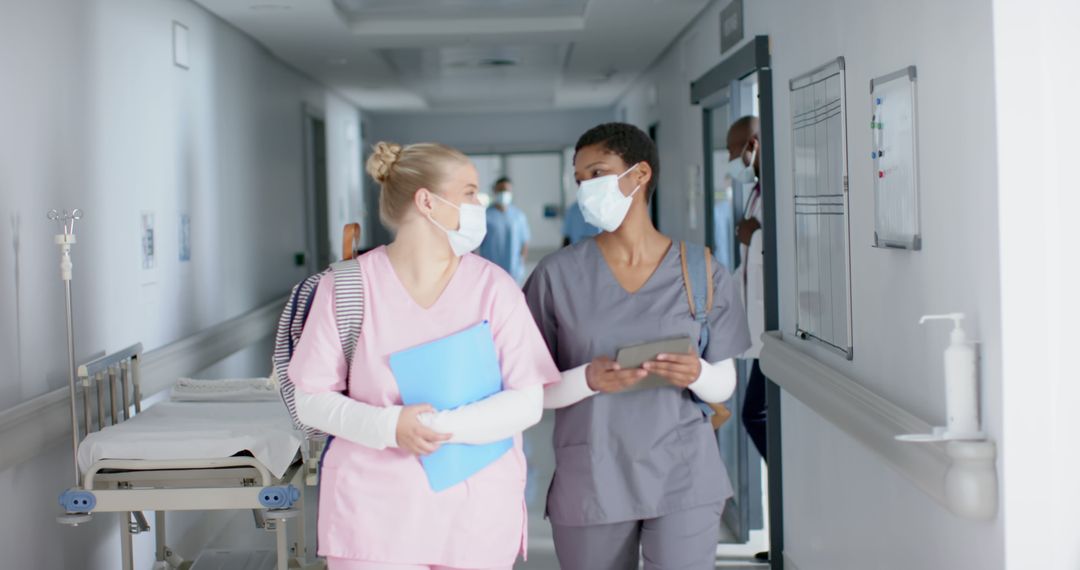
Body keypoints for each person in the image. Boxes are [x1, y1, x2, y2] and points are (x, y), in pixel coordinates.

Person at [288, 142, 560, 570]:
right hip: (373, 519)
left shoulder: (493, 287)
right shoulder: (347, 288)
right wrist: (391, 425)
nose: (479, 203)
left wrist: (438, 427)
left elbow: (528, 400)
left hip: (476, 516)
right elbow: (310, 399)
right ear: (427, 201)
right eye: (469, 192)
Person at [524, 123, 751, 570]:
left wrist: (697, 374)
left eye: (598, 173)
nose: (586, 188)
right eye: (580, 179)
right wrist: (587, 379)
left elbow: (723, 383)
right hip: (592, 475)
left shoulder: (701, 271)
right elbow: (528, 390)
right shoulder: (556, 277)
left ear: (640, 173)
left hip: (684, 472)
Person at [726, 115, 770, 463]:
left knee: (753, 414)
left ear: (751, 146)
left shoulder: (775, 190)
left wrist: (753, 236)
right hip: (756, 324)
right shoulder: (757, 191)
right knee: (755, 414)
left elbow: (787, 251)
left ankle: (786, 483)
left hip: (774, 327)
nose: (730, 160)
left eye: (732, 151)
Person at [478, 177, 531, 283]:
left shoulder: (519, 216)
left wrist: (520, 265)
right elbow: (477, 244)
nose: (504, 193)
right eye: (501, 190)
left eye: (506, 190)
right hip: (491, 271)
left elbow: (524, 242)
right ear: (494, 191)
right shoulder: (485, 215)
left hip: (514, 272)